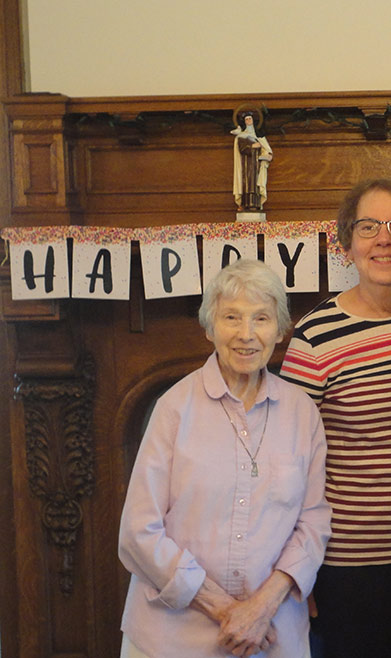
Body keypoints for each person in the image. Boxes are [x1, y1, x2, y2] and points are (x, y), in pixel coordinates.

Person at [118, 258, 330, 658]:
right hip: (171, 637)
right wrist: (229, 611)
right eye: (232, 317)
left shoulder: (303, 413)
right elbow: (138, 533)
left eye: (262, 319)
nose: (246, 334)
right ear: (209, 327)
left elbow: (313, 521)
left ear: (280, 330)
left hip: (271, 634)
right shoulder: (174, 408)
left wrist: (261, 607)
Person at [281, 176, 391, 658]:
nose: (384, 239)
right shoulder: (314, 337)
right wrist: (298, 567)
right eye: (369, 226)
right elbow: (288, 462)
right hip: (347, 566)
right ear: (347, 244)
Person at [232, 112, 273, 211]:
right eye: (246, 119)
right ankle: (246, 203)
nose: (248, 121)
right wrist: (252, 146)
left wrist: (267, 155)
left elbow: (266, 150)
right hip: (246, 164)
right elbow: (242, 149)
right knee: (247, 184)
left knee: (255, 185)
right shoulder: (242, 136)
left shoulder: (259, 137)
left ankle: (256, 203)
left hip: (257, 164)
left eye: (250, 119)